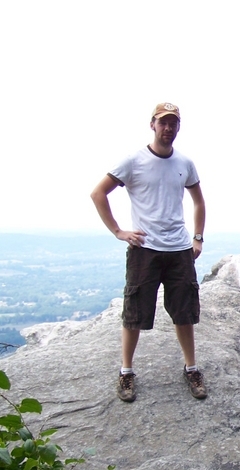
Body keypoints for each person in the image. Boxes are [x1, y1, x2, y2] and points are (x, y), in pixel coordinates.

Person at [91, 102, 207, 403]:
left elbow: (198, 201)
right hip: (145, 249)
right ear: (152, 124)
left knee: (184, 312)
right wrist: (119, 231)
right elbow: (98, 192)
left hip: (179, 248)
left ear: (178, 127)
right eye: (163, 122)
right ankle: (126, 371)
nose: (168, 128)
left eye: (173, 123)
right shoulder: (133, 160)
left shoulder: (185, 163)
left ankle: (191, 368)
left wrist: (197, 238)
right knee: (135, 313)